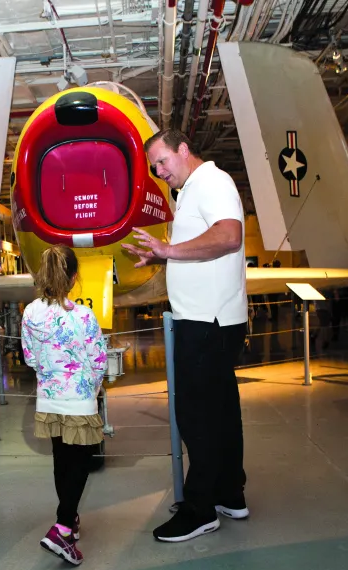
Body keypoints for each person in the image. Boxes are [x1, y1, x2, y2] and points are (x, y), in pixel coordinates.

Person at [122, 129, 249, 543]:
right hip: (212, 320)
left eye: (162, 162)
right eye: (154, 167)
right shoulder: (192, 191)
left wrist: (168, 251)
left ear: (184, 149)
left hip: (206, 323)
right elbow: (202, 250)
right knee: (222, 412)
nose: (160, 172)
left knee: (196, 417)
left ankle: (201, 509)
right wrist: (160, 255)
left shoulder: (211, 182)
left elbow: (229, 236)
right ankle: (230, 494)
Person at [21, 245, 107, 566]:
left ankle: (68, 520)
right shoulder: (82, 315)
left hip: (50, 396)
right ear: (73, 278)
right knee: (81, 462)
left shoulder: (30, 313)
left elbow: (30, 357)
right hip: (79, 398)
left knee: (61, 459)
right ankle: (63, 527)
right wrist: (94, 388)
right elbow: (98, 361)